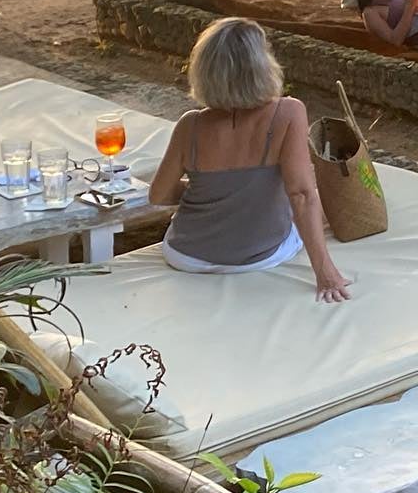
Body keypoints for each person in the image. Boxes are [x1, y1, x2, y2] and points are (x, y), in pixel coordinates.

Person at [148, 18, 351, 302]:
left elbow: (158, 194)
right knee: (314, 199)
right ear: (262, 65)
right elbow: (301, 195)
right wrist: (326, 273)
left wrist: (213, 190)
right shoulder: (288, 112)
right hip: (259, 257)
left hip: (185, 255)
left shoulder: (190, 125)